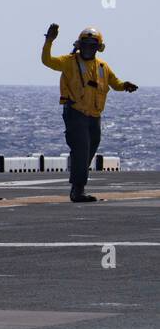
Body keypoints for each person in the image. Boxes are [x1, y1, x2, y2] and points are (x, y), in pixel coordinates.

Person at [41, 24, 138, 202]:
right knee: (82, 149)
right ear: (79, 45)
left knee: (89, 150)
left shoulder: (102, 67)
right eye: (85, 45)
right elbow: (47, 61)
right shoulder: (69, 62)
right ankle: (77, 191)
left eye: (92, 45)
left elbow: (114, 83)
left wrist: (125, 85)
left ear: (98, 48)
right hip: (76, 113)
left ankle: (77, 185)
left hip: (95, 117)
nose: (88, 48)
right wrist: (49, 41)